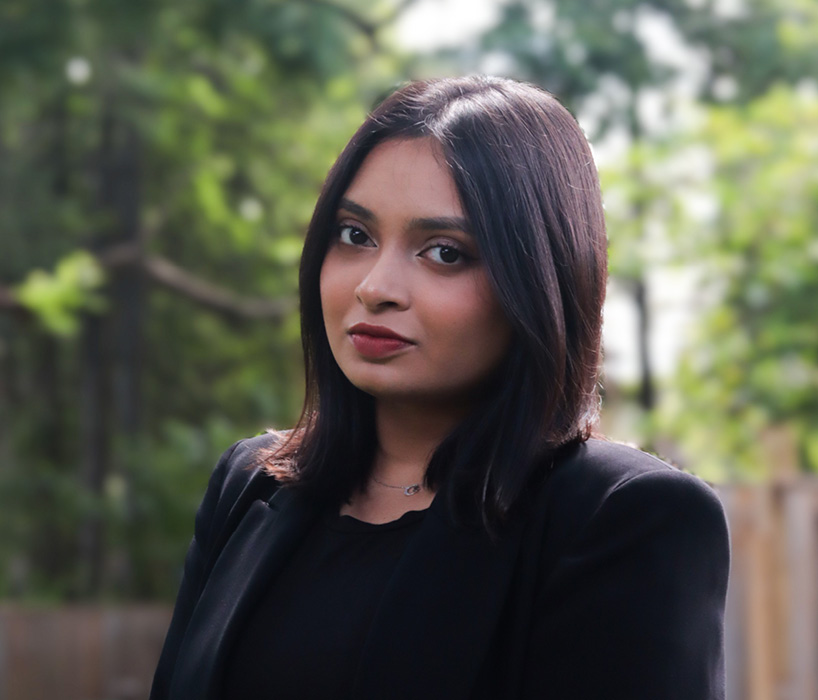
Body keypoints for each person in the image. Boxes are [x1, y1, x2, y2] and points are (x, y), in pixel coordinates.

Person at [150, 76, 730, 700]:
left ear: (538, 279)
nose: (376, 286)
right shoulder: (250, 484)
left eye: (444, 252)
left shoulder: (626, 518)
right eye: (355, 235)